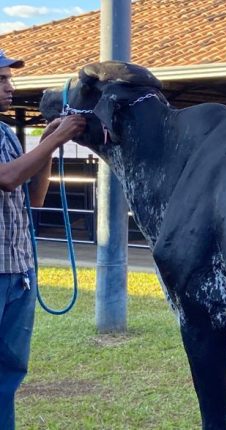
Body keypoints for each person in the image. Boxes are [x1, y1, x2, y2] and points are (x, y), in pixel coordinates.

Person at [0, 49, 85, 429]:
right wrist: (52, 142)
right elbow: (6, 179)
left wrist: (48, 145)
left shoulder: (4, 133)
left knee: (9, 371)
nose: (10, 86)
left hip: (17, 269)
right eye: (1, 79)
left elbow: (32, 197)